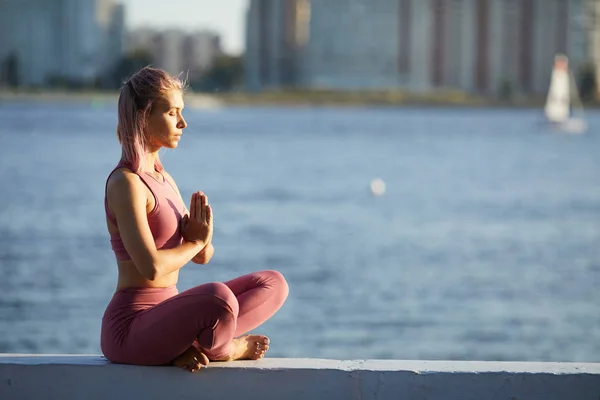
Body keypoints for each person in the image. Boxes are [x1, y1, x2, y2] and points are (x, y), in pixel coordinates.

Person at [101, 66, 289, 373]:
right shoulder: (126, 183)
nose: (183, 123)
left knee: (273, 283)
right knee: (218, 298)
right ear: (143, 116)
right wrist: (196, 242)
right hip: (131, 328)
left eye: (182, 112)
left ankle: (190, 346)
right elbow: (151, 267)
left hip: (168, 315)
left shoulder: (164, 179)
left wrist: (203, 241)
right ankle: (226, 349)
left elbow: (201, 256)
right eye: (172, 112)